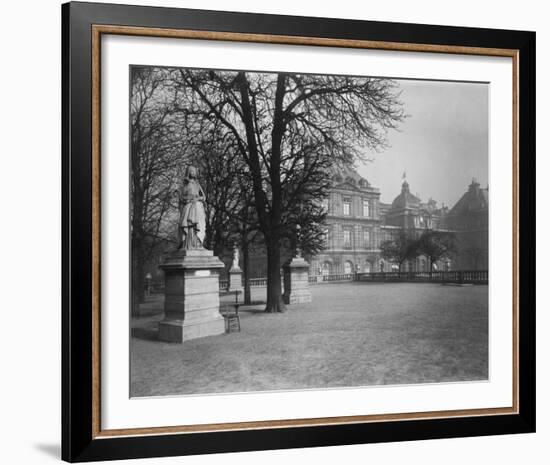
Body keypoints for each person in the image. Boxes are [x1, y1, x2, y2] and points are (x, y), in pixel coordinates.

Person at [176, 165, 206, 249]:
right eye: (191, 171)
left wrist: (197, 199)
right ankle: (187, 244)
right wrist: (187, 199)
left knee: (197, 224)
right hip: (188, 206)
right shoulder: (185, 185)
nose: (193, 173)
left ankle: (197, 243)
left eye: (194, 171)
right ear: (188, 173)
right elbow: (182, 197)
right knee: (188, 224)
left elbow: (204, 197)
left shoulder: (197, 184)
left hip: (197, 207)